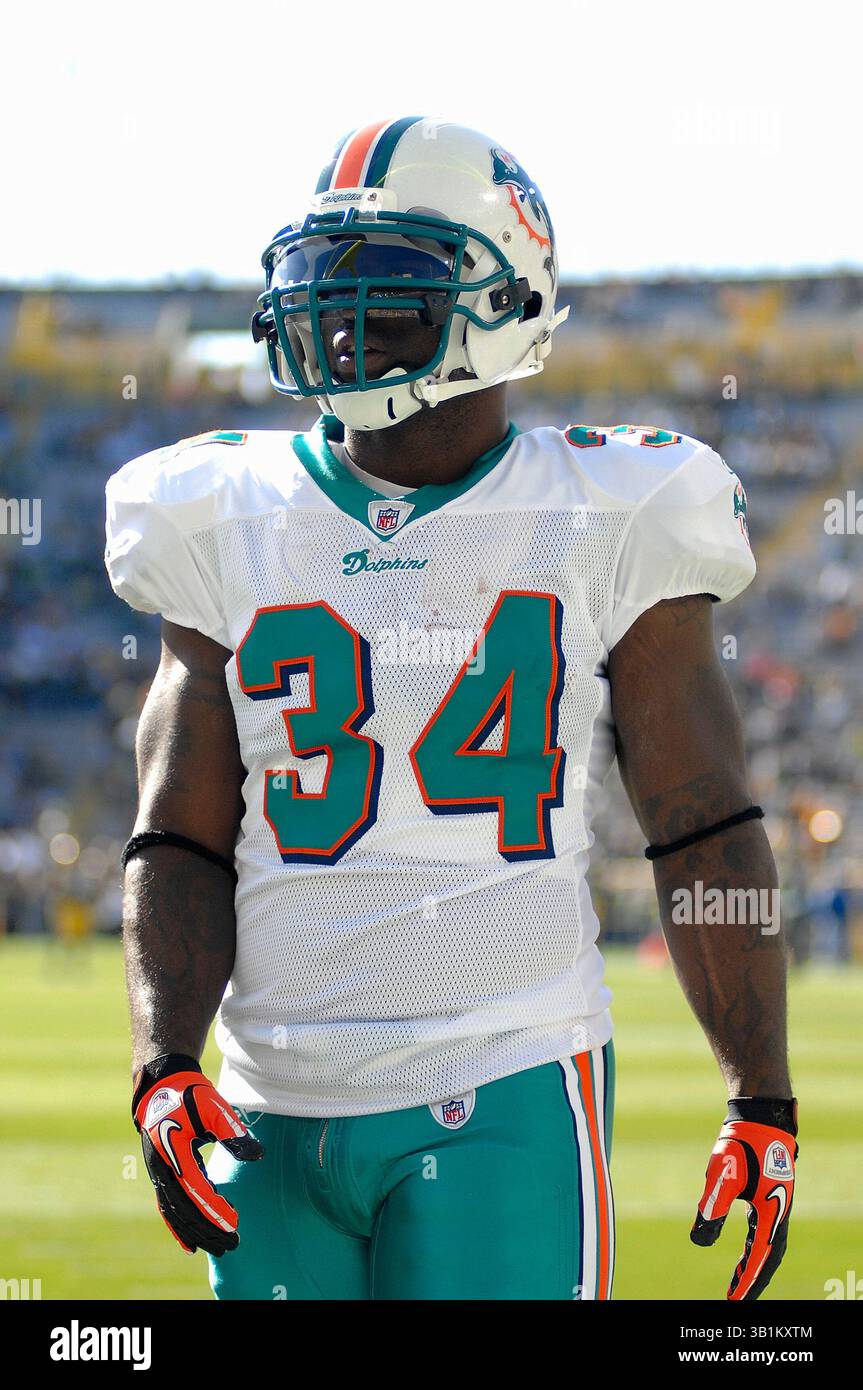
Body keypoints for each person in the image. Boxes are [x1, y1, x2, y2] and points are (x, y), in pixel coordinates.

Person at [105, 118, 796, 1301]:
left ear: (505, 303)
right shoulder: (216, 509)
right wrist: (162, 1058)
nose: (337, 316)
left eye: (387, 287)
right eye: (323, 282)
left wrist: (760, 1091)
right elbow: (176, 834)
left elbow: (698, 822)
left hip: (505, 1084)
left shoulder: (611, 506)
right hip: (265, 1106)